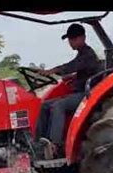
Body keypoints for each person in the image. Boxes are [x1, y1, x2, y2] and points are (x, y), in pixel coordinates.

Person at [35, 23, 103, 158]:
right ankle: (38, 142)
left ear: (82, 38)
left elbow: (71, 66)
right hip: (79, 91)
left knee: (58, 106)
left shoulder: (88, 54)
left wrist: (50, 71)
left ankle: (55, 146)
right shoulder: (81, 54)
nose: (70, 42)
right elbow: (78, 69)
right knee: (45, 105)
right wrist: (70, 76)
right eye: (70, 40)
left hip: (87, 94)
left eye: (73, 39)